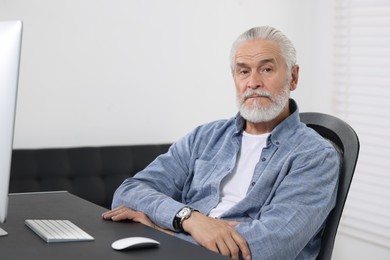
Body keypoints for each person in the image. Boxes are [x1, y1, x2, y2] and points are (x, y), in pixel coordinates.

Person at [102, 26, 340, 260]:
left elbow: (267, 248)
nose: (253, 82)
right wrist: (190, 219)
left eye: (267, 69)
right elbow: (128, 193)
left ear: (293, 77)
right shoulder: (204, 137)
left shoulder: (316, 156)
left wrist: (160, 230)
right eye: (243, 71)